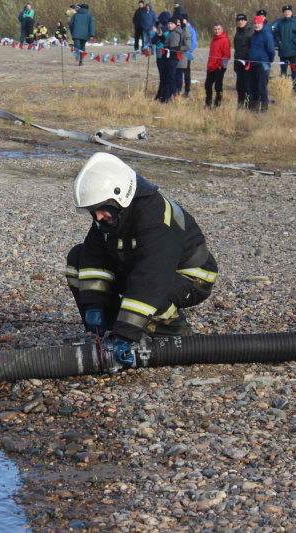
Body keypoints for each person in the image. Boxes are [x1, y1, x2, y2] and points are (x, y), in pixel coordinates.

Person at [65, 152, 217, 362]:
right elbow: (94, 259)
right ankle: (111, 330)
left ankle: (173, 332)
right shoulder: (111, 217)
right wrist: (94, 306)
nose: (97, 217)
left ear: (119, 196)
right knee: (77, 259)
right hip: (142, 269)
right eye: (93, 211)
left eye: (100, 210)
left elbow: (152, 278)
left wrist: (126, 334)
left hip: (190, 276)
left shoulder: (155, 219)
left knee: (148, 292)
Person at [248, 15, 274, 112]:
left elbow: (271, 50)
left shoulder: (267, 35)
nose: (256, 25)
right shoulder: (254, 35)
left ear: (262, 24)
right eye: (255, 23)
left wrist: (268, 61)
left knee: (262, 86)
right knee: (253, 86)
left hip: (263, 64)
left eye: (258, 23)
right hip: (253, 63)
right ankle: (254, 107)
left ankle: (264, 108)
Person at [273, 5, 296, 93]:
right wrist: (279, 41)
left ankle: (295, 86)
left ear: (291, 12)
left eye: (288, 11)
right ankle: (283, 85)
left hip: (293, 50)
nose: (287, 13)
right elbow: (276, 33)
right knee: (283, 70)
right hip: (283, 50)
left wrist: (294, 41)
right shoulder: (280, 23)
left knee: (294, 70)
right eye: (285, 12)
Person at [205, 23, 230, 107]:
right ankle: (208, 102)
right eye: (215, 29)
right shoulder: (214, 40)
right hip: (211, 66)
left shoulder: (225, 40)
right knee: (207, 85)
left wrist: (221, 65)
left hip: (219, 66)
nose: (217, 31)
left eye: (218, 29)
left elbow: (226, 55)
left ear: (222, 30)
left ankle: (217, 102)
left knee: (218, 86)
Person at [233, 13, 253, 108]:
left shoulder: (250, 31)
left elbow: (252, 47)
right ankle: (240, 104)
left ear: (246, 21)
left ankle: (249, 105)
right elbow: (236, 47)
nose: (240, 22)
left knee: (247, 86)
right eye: (238, 20)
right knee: (239, 85)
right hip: (238, 61)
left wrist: (250, 61)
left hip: (247, 62)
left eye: (242, 20)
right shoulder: (237, 31)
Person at [162, 15, 183, 102]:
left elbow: (174, 48)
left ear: (175, 24)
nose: (169, 25)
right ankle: (167, 96)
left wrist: (166, 53)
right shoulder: (172, 32)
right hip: (169, 59)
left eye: (171, 23)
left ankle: (173, 96)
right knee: (168, 77)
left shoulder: (175, 34)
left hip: (172, 59)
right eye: (169, 23)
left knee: (171, 78)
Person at [151, 11, 171, 101]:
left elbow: (153, 40)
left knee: (162, 76)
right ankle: (162, 94)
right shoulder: (170, 29)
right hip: (168, 54)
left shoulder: (161, 29)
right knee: (165, 75)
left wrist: (155, 30)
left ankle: (161, 95)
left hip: (160, 54)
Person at [180, 13, 197, 97]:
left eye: (182, 19)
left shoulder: (190, 30)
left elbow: (194, 43)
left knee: (186, 74)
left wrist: (188, 51)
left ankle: (187, 91)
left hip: (186, 54)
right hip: (179, 54)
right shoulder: (180, 28)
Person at [174, 15, 192, 97]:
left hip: (182, 57)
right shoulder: (174, 30)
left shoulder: (186, 30)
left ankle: (179, 91)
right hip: (173, 56)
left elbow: (188, 46)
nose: (177, 24)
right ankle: (174, 91)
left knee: (180, 76)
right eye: (176, 22)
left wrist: (178, 48)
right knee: (174, 76)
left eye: (179, 22)